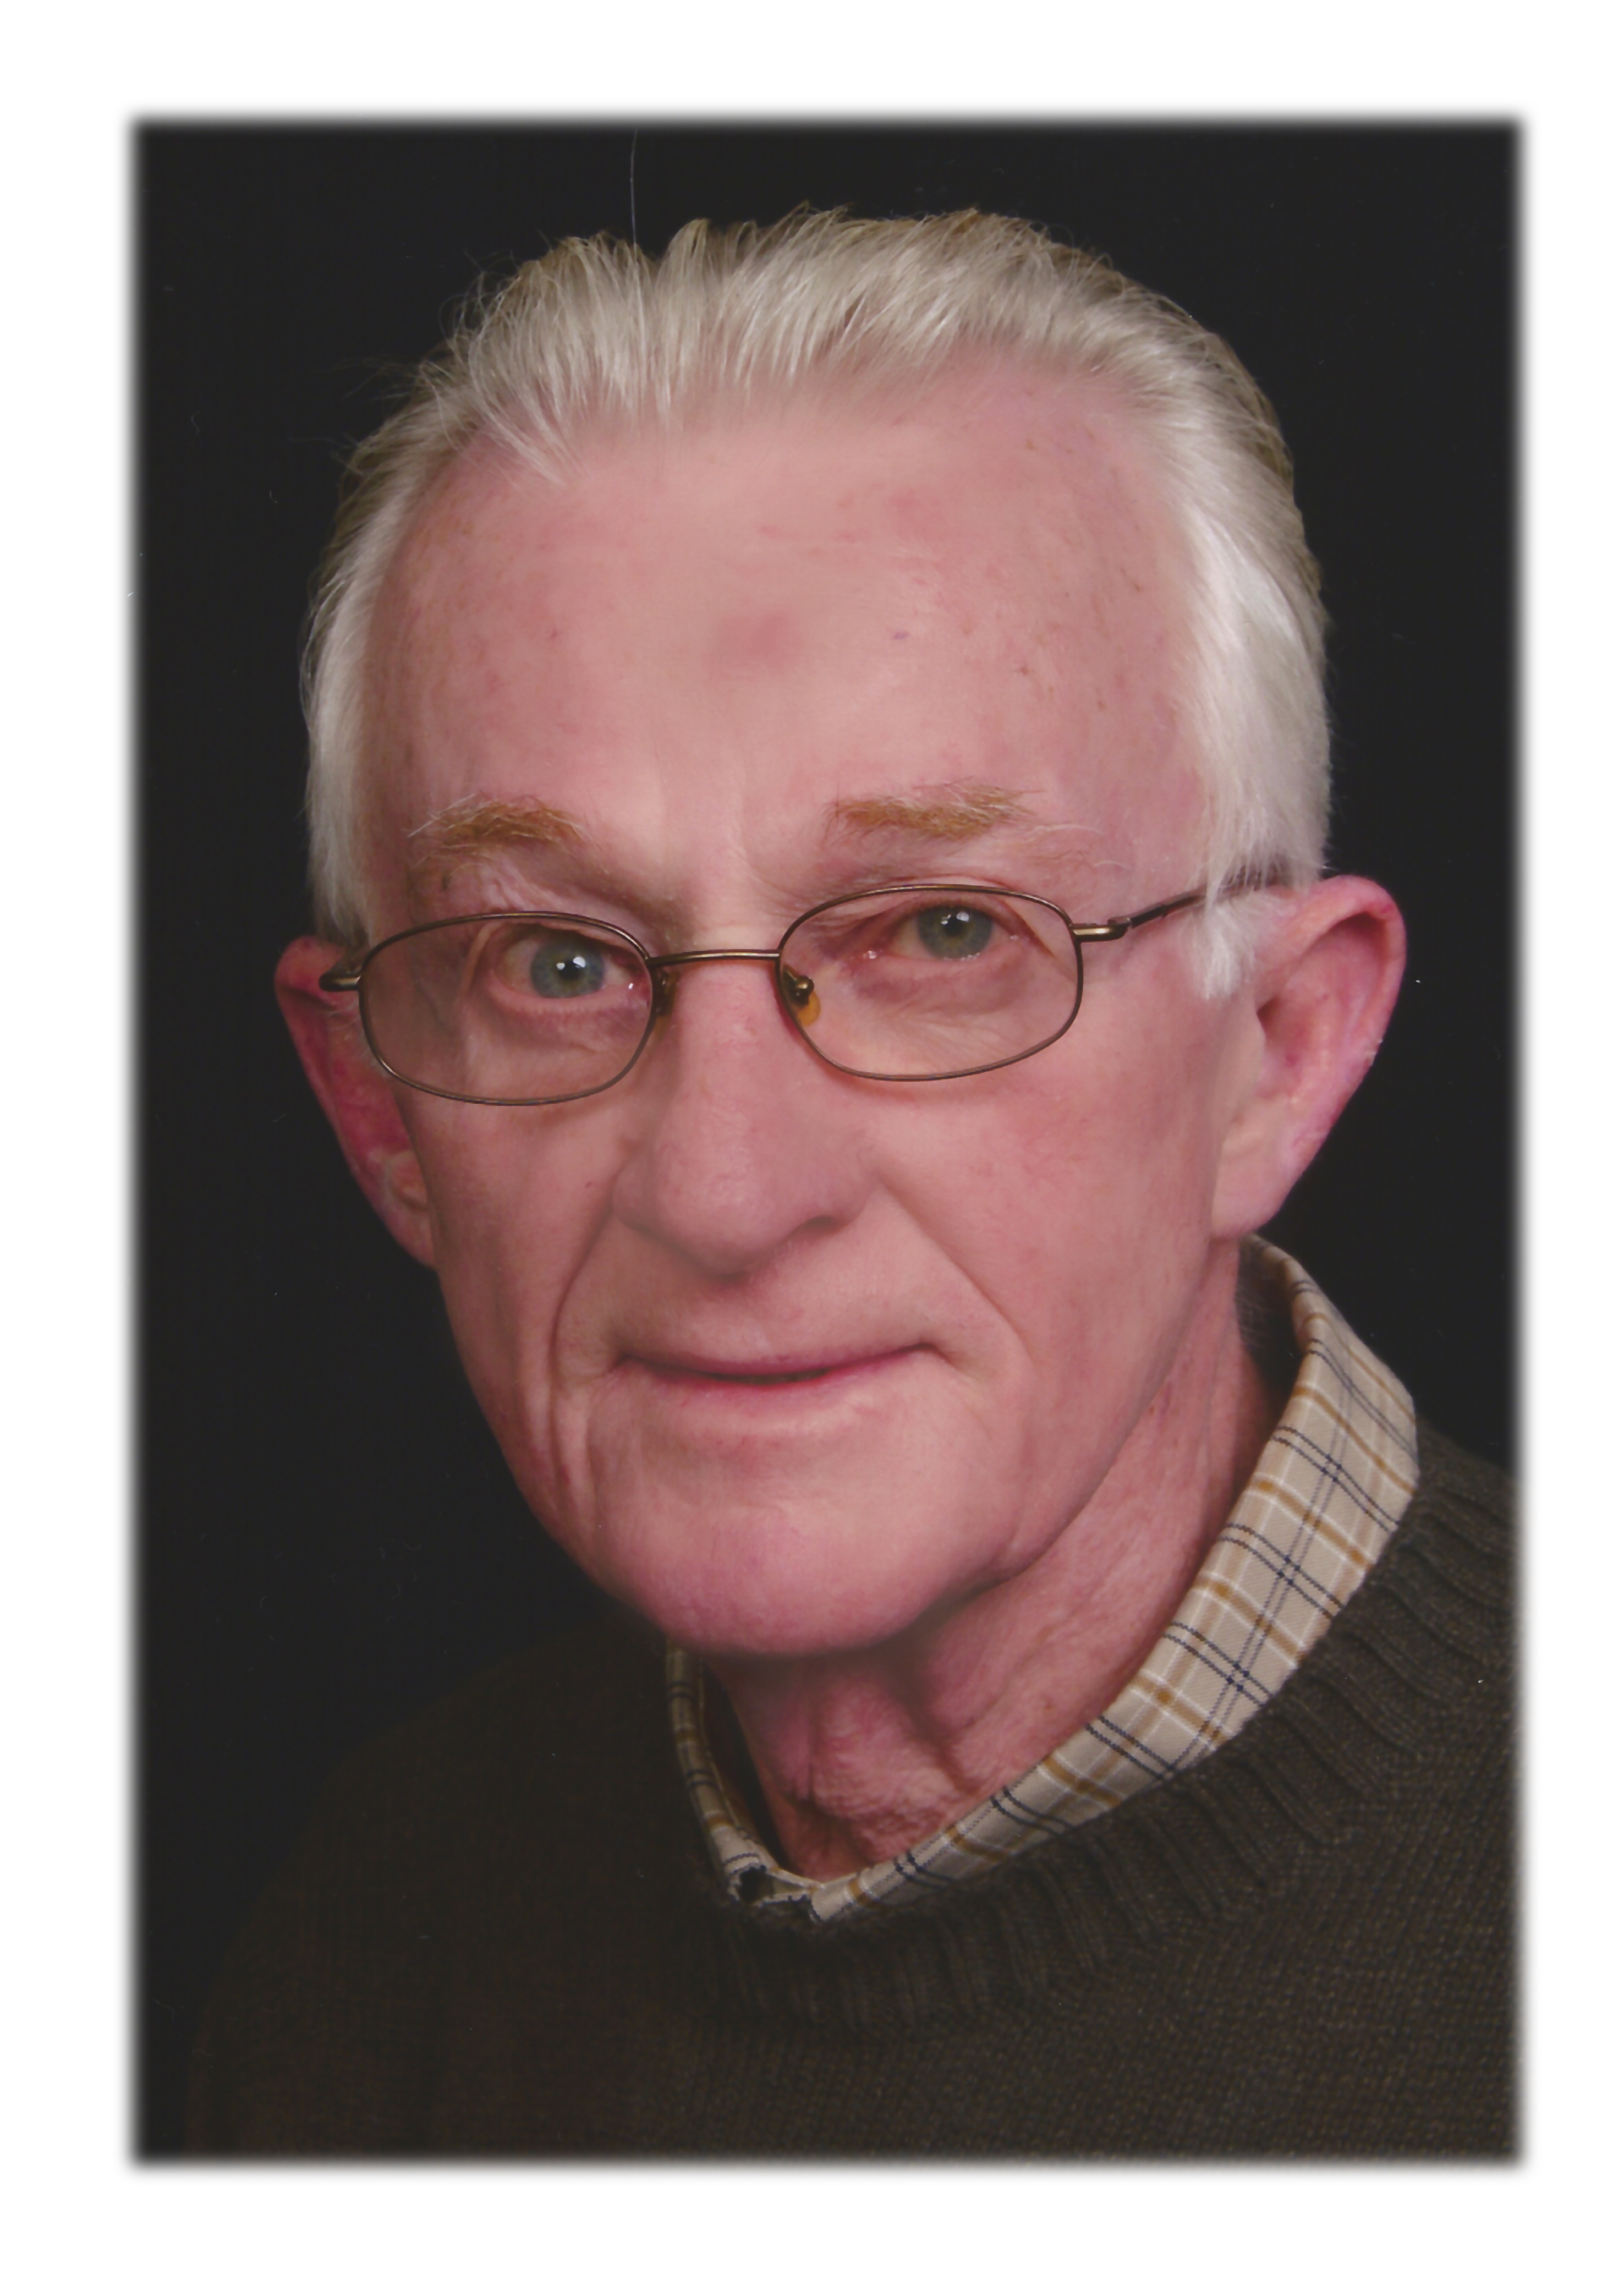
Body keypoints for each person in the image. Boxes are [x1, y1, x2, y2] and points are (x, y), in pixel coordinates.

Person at [186, 209, 1511, 2156]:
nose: (727, 1192)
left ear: (1276, 1050)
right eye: (558, 960)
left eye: (946, 931)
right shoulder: (369, 1945)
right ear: (381, 1111)